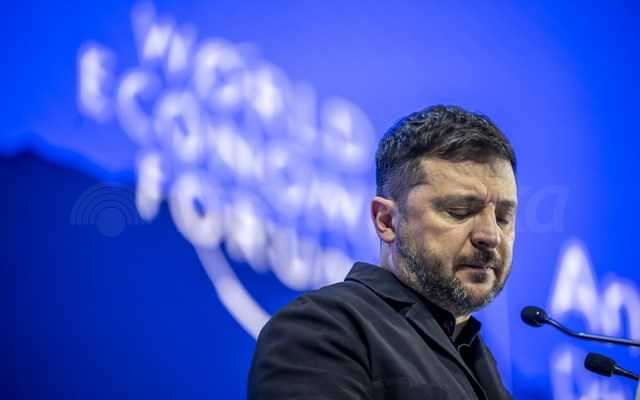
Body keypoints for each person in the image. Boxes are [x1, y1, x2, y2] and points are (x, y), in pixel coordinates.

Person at [247, 105, 517, 399]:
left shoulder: (480, 361)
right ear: (386, 221)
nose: (491, 235)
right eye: (460, 211)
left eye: (503, 217)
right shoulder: (320, 329)